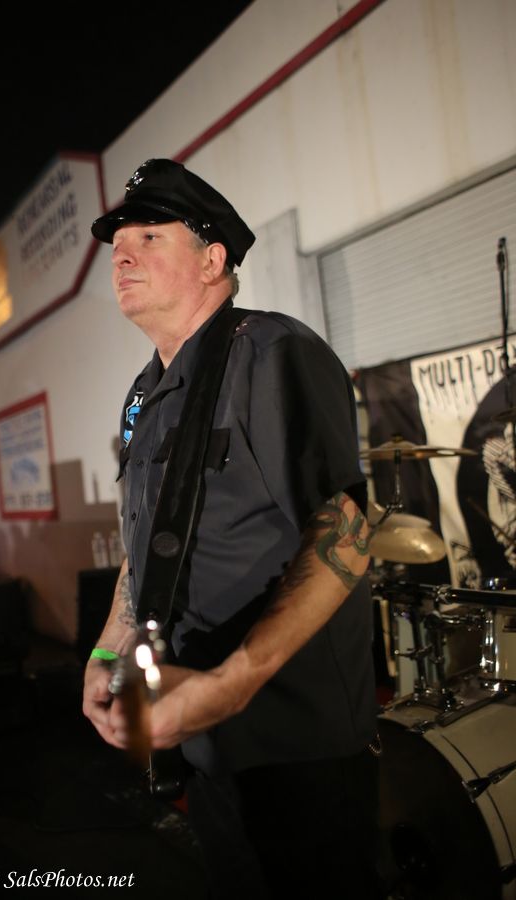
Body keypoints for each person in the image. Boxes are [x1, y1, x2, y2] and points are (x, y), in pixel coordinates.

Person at [83, 158, 380, 898]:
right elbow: (146, 548)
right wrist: (107, 650)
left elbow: (347, 530)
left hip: (293, 749)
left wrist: (234, 682)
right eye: (119, 242)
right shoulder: (142, 396)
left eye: (149, 236)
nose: (122, 255)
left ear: (213, 260)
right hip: (204, 745)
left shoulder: (272, 352)